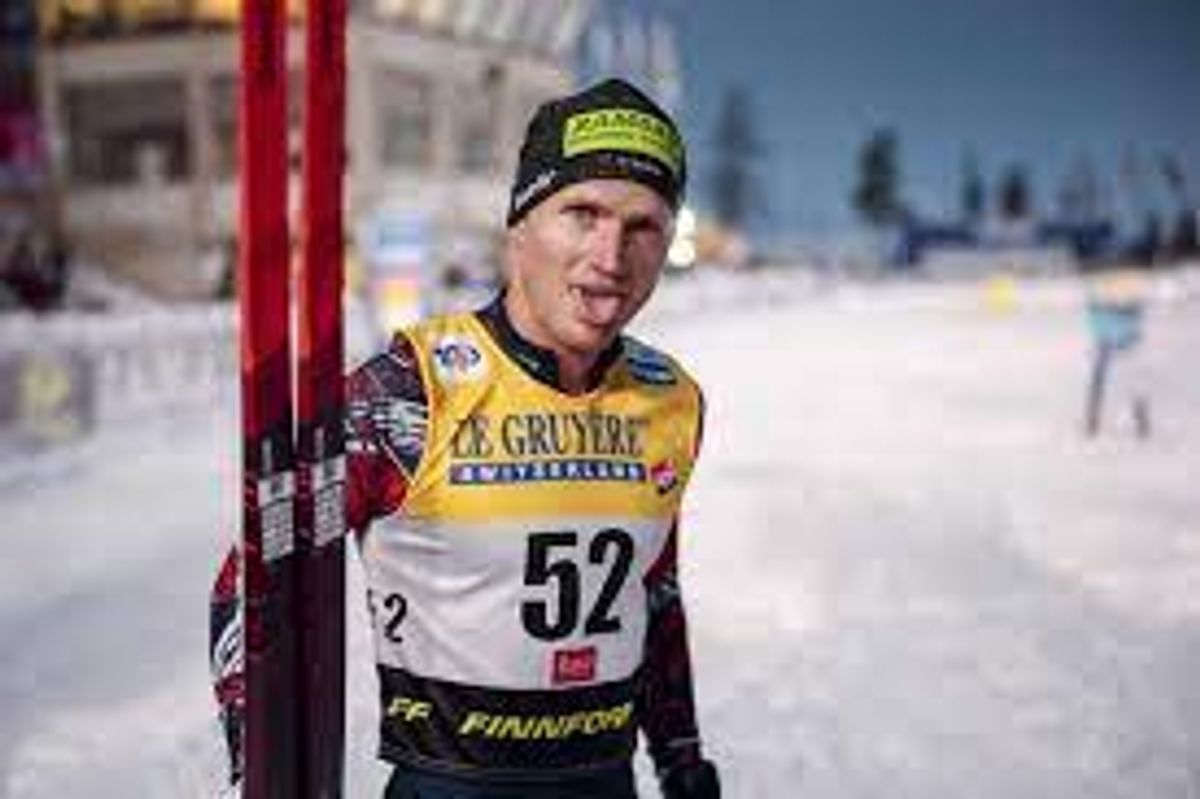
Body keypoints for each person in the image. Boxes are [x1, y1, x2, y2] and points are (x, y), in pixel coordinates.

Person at [210, 77, 720, 799]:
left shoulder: (669, 399)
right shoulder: (409, 391)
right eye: (583, 214)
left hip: (606, 783)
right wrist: (258, 768)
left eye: (644, 226)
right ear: (520, 225)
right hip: (446, 784)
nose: (611, 256)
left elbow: (654, 590)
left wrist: (681, 756)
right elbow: (251, 575)